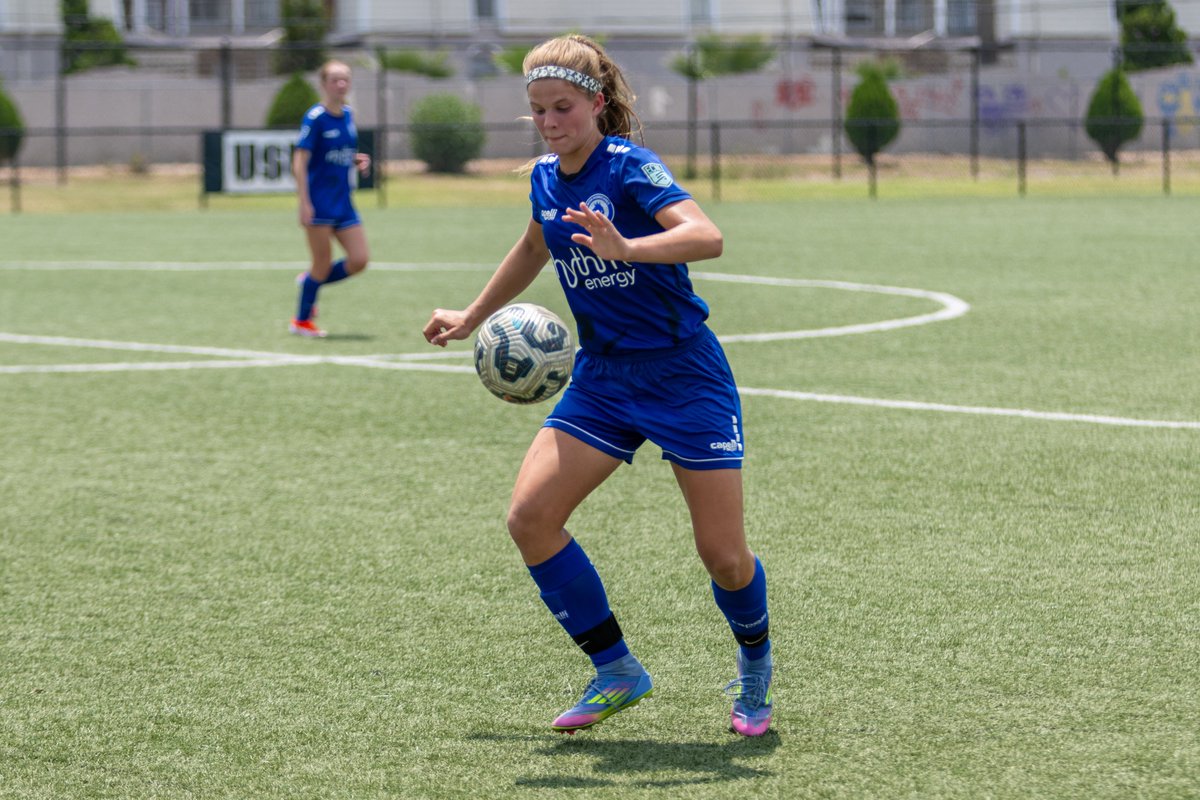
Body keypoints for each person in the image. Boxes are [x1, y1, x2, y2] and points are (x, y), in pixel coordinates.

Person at [423, 34, 773, 737]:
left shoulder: (630, 167)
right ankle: (616, 669)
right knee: (529, 517)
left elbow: (707, 236)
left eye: (563, 109)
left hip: (682, 374)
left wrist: (627, 247)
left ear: (597, 103)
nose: (551, 124)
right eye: (538, 112)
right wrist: (471, 315)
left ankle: (756, 664)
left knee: (724, 557)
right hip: (604, 377)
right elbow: (532, 247)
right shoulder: (546, 178)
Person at [290, 59, 371, 338]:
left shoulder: (348, 115)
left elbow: (338, 155)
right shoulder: (315, 118)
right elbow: (300, 161)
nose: (341, 84)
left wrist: (355, 160)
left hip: (344, 202)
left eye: (345, 79)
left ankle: (311, 282)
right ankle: (301, 321)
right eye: (335, 79)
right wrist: (304, 201)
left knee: (359, 259)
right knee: (322, 264)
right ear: (323, 84)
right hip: (320, 202)